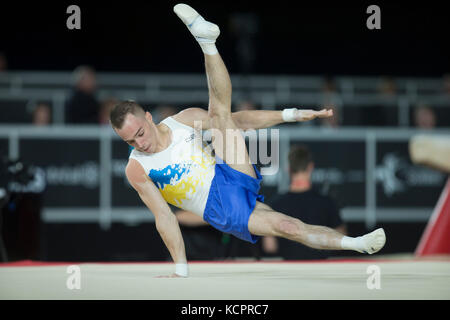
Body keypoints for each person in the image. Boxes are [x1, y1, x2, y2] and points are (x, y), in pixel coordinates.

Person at [109, 4, 386, 278]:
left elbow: (237, 121)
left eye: (140, 133)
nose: (140, 144)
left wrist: (290, 114)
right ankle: (356, 243)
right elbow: (164, 217)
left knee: (221, 115)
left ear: (148, 116)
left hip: (229, 170)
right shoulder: (137, 168)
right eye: (130, 142)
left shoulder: (182, 121)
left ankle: (207, 42)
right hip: (218, 206)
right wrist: (181, 268)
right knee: (287, 227)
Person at [262, 144, 346, 260]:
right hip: (322, 269)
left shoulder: (276, 203)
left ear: (288, 169)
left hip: (290, 270)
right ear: (310, 167)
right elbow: (341, 238)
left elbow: (270, 246)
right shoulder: (326, 201)